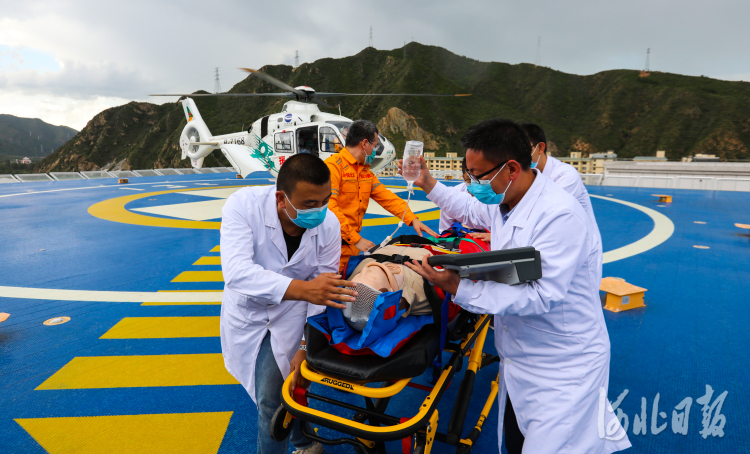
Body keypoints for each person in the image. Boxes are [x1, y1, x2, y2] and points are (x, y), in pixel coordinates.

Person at [401, 119, 630, 454]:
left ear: (510, 168)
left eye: (478, 176)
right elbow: (469, 208)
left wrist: (459, 287)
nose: (473, 183)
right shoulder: (506, 200)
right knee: (516, 442)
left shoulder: (559, 215)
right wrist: (428, 182)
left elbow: (540, 295)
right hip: (521, 358)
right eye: (469, 174)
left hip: (562, 366)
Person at [219, 153, 358, 454]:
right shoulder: (243, 207)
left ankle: (301, 444)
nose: (320, 211)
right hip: (248, 313)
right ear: (281, 198)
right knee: (279, 392)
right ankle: (305, 441)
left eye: (326, 200)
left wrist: (305, 346)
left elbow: (325, 291)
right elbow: (237, 273)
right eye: (310, 204)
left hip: (293, 316)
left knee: (274, 396)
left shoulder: (329, 225)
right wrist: (305, 289)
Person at [325, 119, 437, 273]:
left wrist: (412, 219)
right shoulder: (333, 167)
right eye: (375, 145)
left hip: (351, 249)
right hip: (330, 249)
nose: (375, 150)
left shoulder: (365, 172)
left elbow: (387, 198)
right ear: (364, 144)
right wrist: (356, 239)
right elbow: (329, 208)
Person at [519, 123, 603, 283]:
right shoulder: (526, 176)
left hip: (578, 252)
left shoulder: (565, 176)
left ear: (540, 148)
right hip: (550, 247)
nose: (519, 156)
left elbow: (541, 214)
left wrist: (500, 234)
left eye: (523, 150)